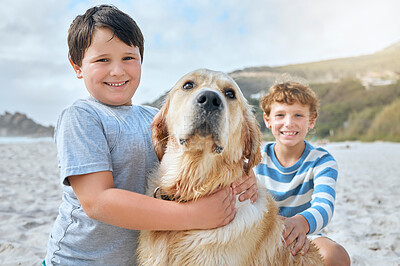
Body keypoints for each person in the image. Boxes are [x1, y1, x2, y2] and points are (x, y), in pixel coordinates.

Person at [44, 5, 257, 265]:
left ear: (141, 60)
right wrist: (193, 215)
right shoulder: (81, 116)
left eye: (128, 58)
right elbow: (98, 201)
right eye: (102, 60)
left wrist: (246, 177)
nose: (117, 71)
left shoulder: (152, 118)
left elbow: (207, 156)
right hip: (77, 260)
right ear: (77, 66)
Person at [255, 81, 350, 266]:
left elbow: (324, 206)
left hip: (306, 234)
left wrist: (300, 222)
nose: (289, 123)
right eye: (280, 115)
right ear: (267, 120)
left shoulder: (322, 161)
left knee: (336, 255)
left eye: (298, 115)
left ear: (311, 120)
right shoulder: (255, 158)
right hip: (259, 236)